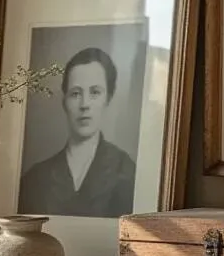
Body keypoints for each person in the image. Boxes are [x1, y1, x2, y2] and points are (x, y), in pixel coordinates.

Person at [18, 46, 136, 218]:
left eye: (95, 92)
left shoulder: (127, 171)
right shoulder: (35, 180)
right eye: (75, 94)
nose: (84, 104)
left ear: (108, 99)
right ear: (64, 101)